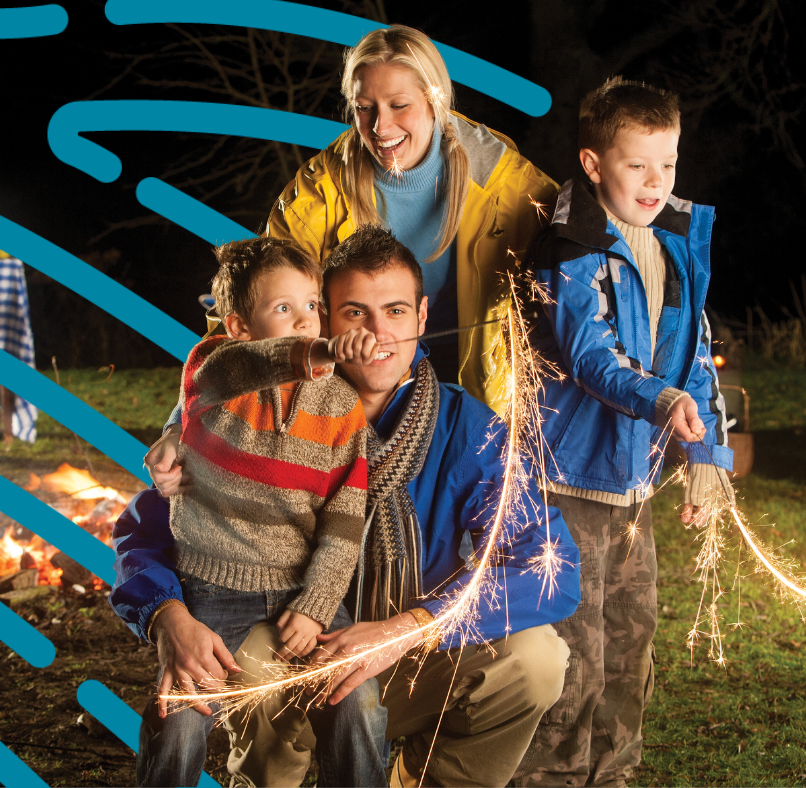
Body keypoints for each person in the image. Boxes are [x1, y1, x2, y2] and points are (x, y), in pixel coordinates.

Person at [111, 225, 582, 787]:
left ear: (423, 317)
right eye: (354, 312)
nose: (379, 332)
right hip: (291, 648)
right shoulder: (252, 410)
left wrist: (410, 627)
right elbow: (144, 529)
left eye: (397, 311)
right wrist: (167, 617)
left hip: (411, 653)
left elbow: (552, 569)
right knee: (261, 652)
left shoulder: (469, 429)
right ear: (323, 323)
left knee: (537, 660)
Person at [514, 78, 734, 787]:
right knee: (574, 654)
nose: (655, 182)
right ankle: (555, 778)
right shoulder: (569, 244)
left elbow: (693, 353)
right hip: (566, 482)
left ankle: (614, 775)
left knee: (629, 648)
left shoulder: (675, 242)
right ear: (592, 162)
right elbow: (589, 357)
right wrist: (662, 399)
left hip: (632, 486)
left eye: (666, 164)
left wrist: (704, 458)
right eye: (637, 164)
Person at [127, 237, 387, 787]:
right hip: (210, 592)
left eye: (312, 305)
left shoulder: (341, 408)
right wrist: (323, 351)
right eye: (283, 308)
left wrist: (318, 604)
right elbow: (248, 364)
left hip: (299, 589)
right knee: (179, 717)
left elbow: (345, 520)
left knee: (358, 701)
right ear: (238, 325)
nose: (304, 321)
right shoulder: (215, 372)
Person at [265, 24, 558, 405]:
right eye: (364, 108)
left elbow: (584, 275)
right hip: (359, 396)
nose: (380, 127)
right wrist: (180, 422)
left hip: (481, 397)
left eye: (399, 105)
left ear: (434, 99)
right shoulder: (317, 194)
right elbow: (255, 303)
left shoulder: (508, 186)